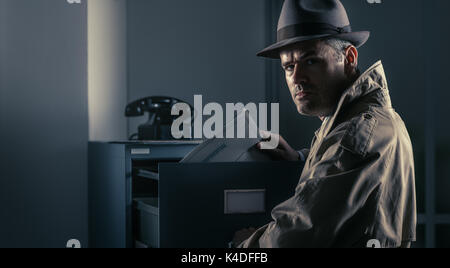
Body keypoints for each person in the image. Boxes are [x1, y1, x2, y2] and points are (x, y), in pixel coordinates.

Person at [233, 0, 416, 248]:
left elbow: (295, 236)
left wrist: (243, 247)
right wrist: (301, 160)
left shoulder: (356, 135)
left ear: (349, 58)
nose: (297, 77)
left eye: (311, 61)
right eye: (289, 66)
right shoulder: (369, 121)